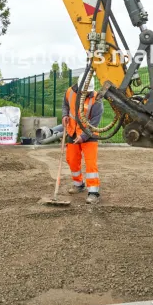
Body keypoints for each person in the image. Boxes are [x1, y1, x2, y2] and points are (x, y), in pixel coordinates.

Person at [62, 72, 104, 205]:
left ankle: (93, 192)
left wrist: (84, 136)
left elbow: (95, 123)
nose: (84, 94)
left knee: (91, 164)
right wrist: (64, 115)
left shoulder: (96, 100)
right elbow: (65, 105)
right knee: (72, 160)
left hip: (89, 135)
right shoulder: (70, 92)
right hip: (72, 132)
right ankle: (78, 185)